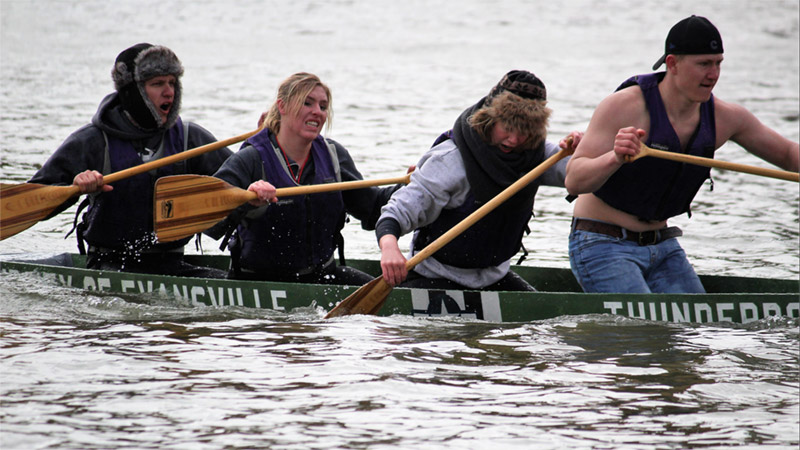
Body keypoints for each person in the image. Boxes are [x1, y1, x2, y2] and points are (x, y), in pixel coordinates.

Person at [563, 15, 800, 294]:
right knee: (641, 333)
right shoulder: (625, 106)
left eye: (718, 63)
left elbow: (787, 154)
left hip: (663, 245)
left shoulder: (726, 117)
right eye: (703, 64)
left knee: (692, 333)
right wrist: (615, 157)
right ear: (672, 63)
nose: (713, 74)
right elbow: (574, 181)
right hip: (601, 241)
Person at [28, 43, 232, 278]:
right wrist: (75, 187)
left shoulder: (190, 138)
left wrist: (265, 142)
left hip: (171, 263)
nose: (169, 92)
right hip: (108, 266)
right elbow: (35, 200)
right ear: (133, 92)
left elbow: (243, 180)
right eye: (157, 84)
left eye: (172, 83)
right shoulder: (93, 141)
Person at [377, 70, 581, 291]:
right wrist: (389, 247)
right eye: (508, 128)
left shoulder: (536, 156)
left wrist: (583, 148)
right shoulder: (450, 160)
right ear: (489, 119)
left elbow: (581, 175)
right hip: (434, 276)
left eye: (523, 132)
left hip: (494, 278)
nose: (513, 140)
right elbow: (397, 211)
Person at [208, 72, 403, 284]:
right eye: (307, 103)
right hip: (260, 282)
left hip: (323, 276)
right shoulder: (251, 159)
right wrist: (246, 202)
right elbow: (210, 222)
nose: (317, 112)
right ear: (282, 107)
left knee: (392, 295)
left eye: (323, 106)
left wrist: (409, 185)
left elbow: (372, 208)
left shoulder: (334, 155)